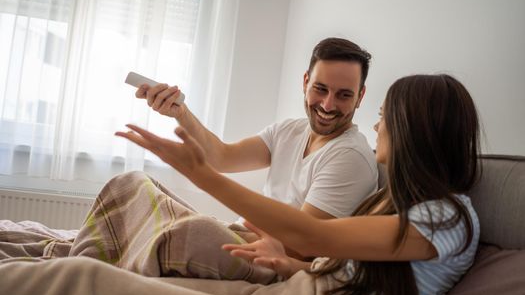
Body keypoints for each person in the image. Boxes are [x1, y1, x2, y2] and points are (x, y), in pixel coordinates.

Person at [116, 73, 481, 295]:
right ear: (305, 82)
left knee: (97, 287)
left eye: (384, 117)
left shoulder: (446, 218)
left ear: (411, 129)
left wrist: (203, 176)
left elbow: (312, 236)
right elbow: (349, 274)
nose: (376, 127)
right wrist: (290, 265)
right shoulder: (393, 203)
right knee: (124, 287)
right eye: (320, 89)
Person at [135, 37, 378, 251]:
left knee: (164, 231)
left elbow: (301, 243)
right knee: (134, 187)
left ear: (360, 96)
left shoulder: (351, 157)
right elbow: (222, 157)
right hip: (240, 234)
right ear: (305, 82)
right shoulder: (289, 130)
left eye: (344, 95)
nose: (327, 105)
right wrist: (181, 113)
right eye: (320, 89)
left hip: (261, 254)